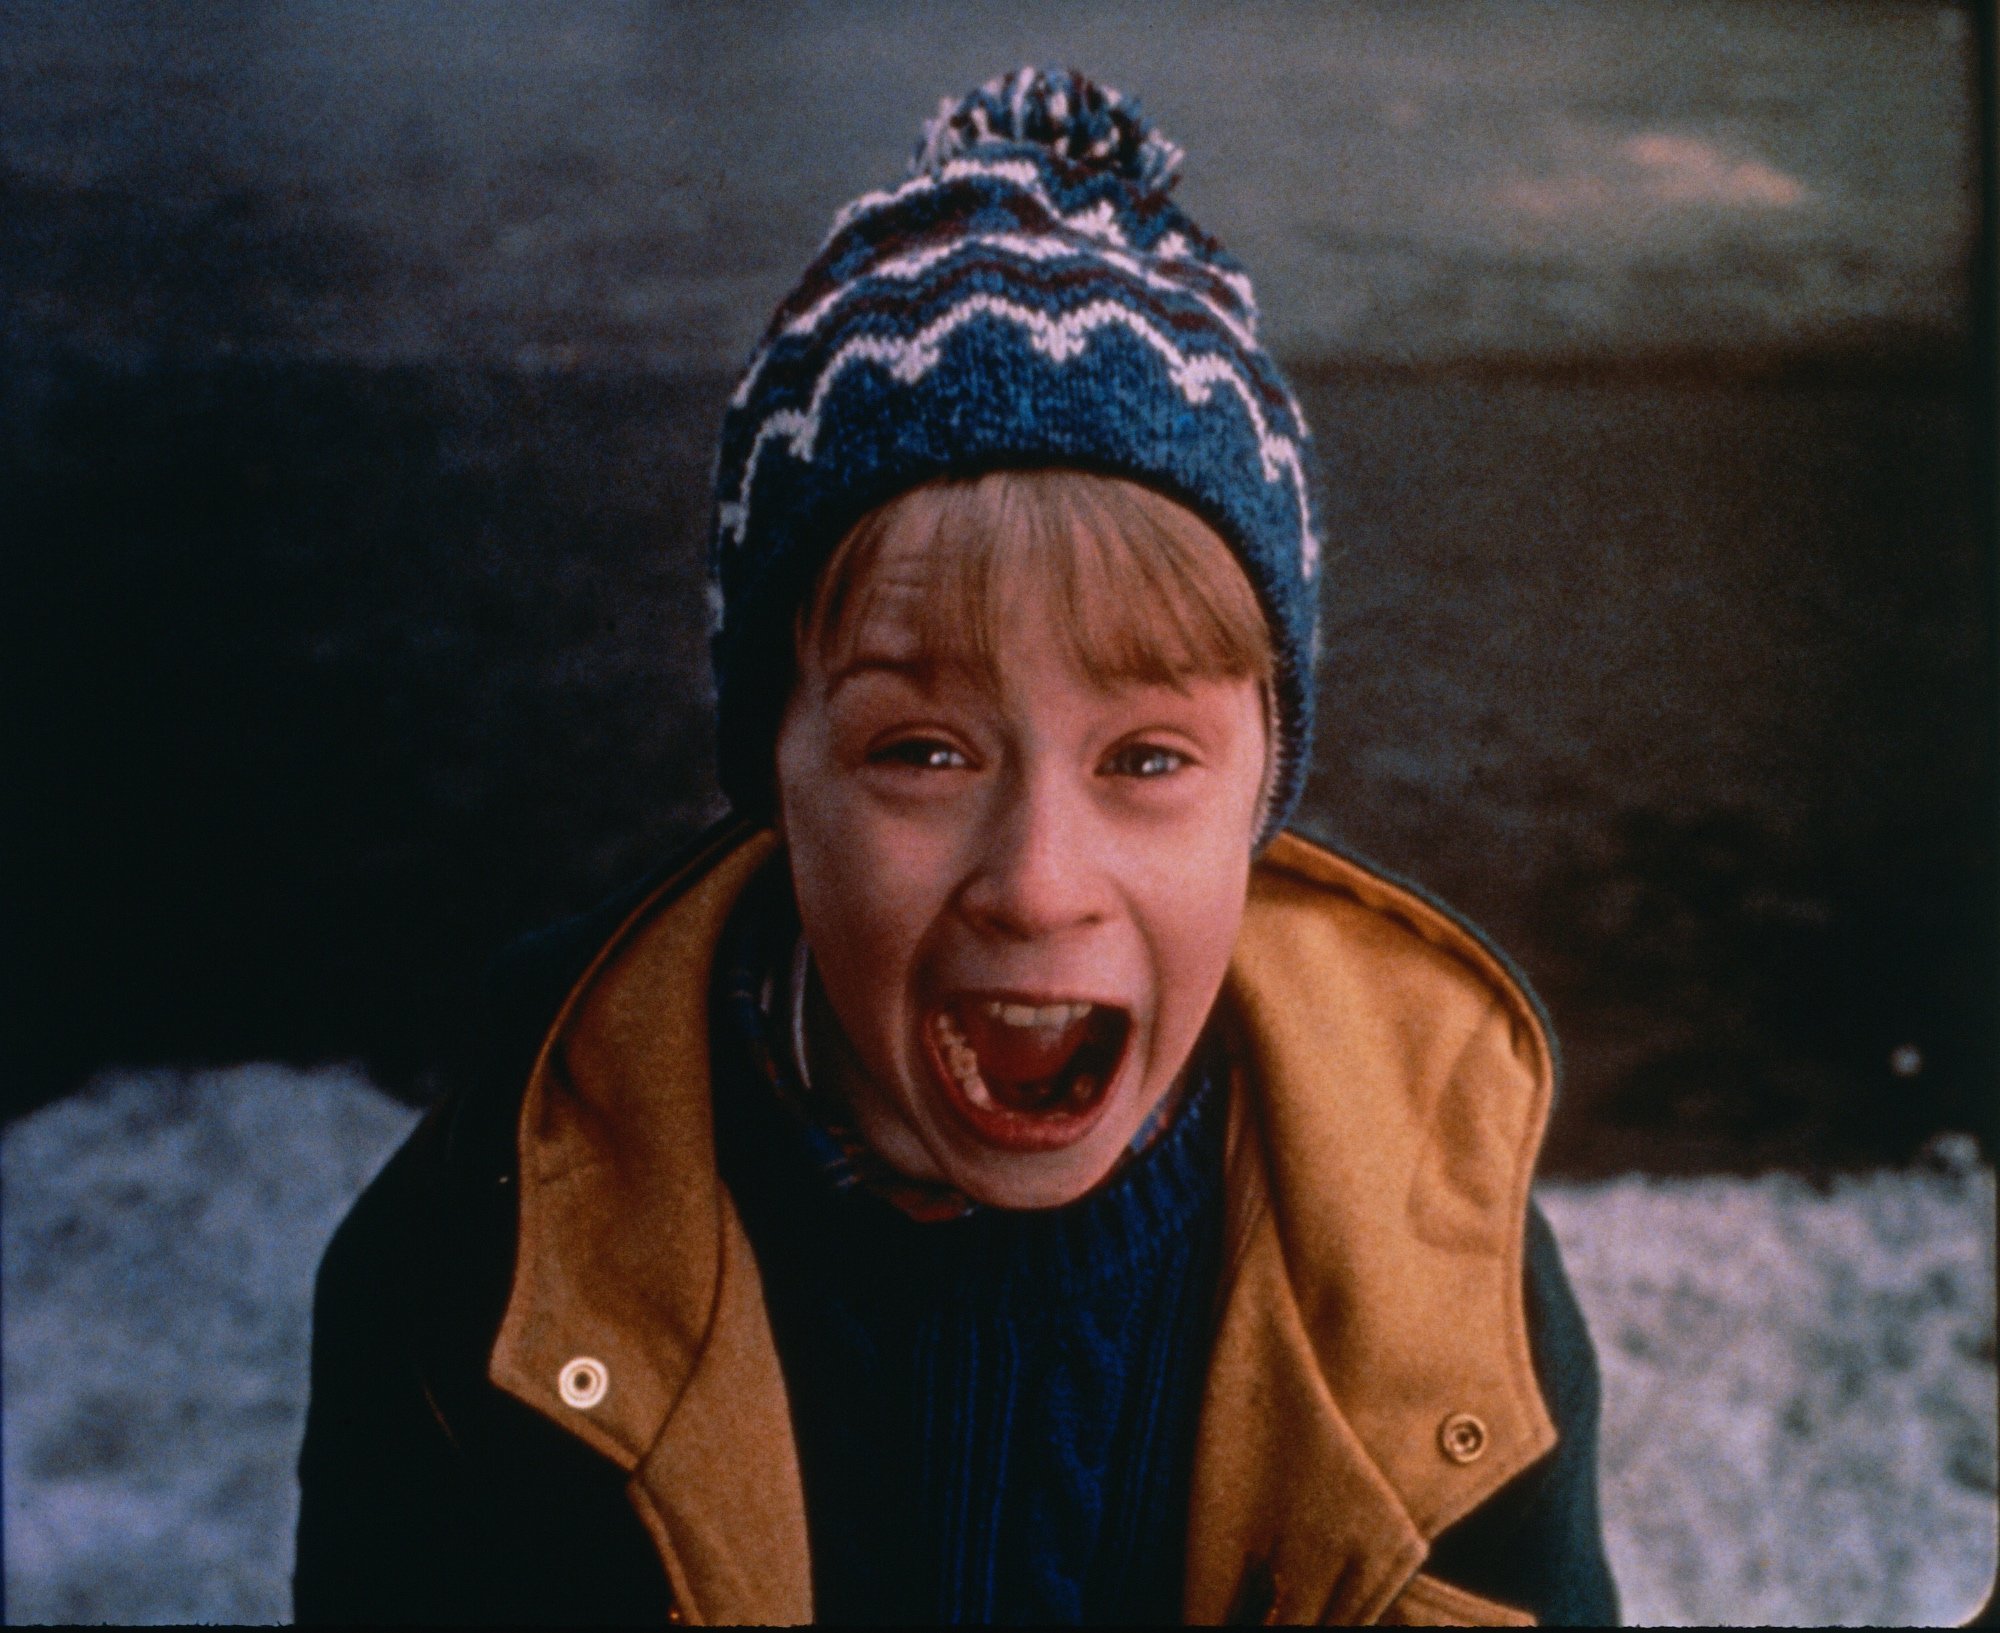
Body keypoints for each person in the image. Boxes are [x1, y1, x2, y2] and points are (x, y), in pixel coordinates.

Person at [294, 68, 1620, 1626]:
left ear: (1264, 785)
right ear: (776, 773)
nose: (1041, 880)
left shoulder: (1441, 1278)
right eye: (921, 751)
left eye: (1147, 757)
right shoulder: (475, 1261)